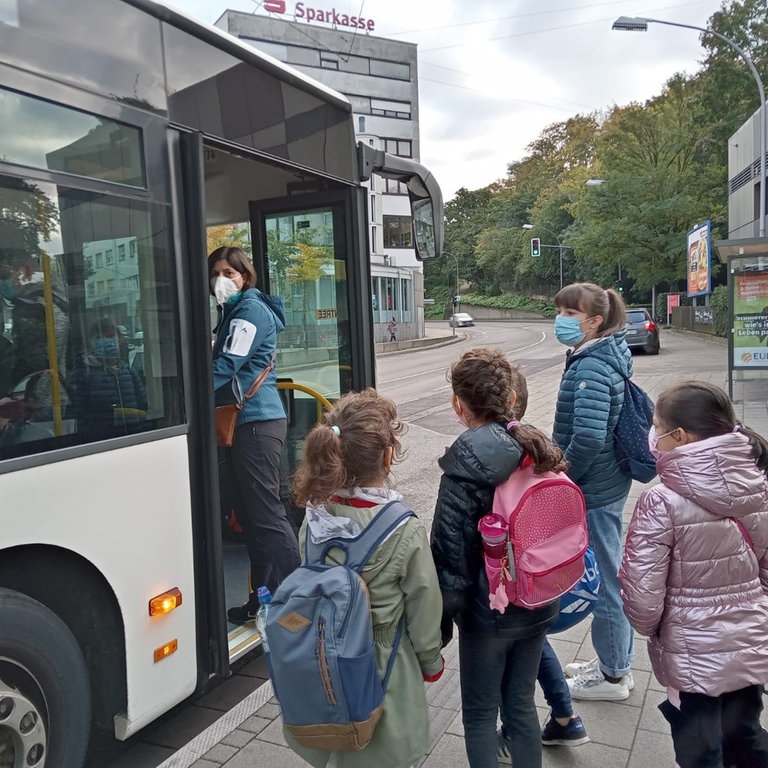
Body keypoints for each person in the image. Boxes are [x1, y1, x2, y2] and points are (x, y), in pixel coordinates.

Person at [287, 388, 444, 768]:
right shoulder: (402, 528)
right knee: (378, 748)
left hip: (324, 655)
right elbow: (424, 605)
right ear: (388, 456)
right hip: (384, 658)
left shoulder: (316, 515)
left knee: (339, 744)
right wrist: (430, 661)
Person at [619, 381, 768, 768]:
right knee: (747, 734)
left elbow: (642, 594)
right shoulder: (758, 485)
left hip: (691, 657)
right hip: (750, 642)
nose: (653, 436)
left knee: (699, 751)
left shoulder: (661, 501)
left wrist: (654, 628)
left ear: (679, 436)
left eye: (657, 427)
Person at [431, 347, 564, 768]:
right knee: (521, 705)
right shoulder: (538, 445)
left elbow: (449, 562)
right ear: (510, 399)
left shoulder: (464, 463)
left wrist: (436, 632)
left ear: (458, 403)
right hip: (540, 600)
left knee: (480, 714)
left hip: (488, 614)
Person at [551, 282, 635, 701]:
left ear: (594, 320)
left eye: (570, 313)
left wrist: (563, 475)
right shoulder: (603, 353)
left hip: (595, 487)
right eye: (561, 310)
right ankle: (615, 661)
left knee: (606, 580)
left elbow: (585, 437)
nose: (562, 319)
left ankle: (613, 675)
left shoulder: (591, 367)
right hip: (608, 480)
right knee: (611, 572)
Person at [208, 245, 300, 624]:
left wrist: (183, 397)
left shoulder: (248, 311)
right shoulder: (233, 311)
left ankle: (303, 598)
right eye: (216, 273)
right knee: (252, 518)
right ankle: (263, 600)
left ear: (245, 276)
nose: (221, 280)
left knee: (266, 517)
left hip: (256, 424)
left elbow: (228, 364)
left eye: (230, 273)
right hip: (248, 423)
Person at [68, 317, 147, 440]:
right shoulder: (81, 375)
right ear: (91, 342)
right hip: (101, 442)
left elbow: (142, 404)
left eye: (111, 336)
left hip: (133, 438)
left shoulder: (128, 372)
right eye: (100, 338)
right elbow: (78, 413)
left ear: (118, 338)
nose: (108, 341)